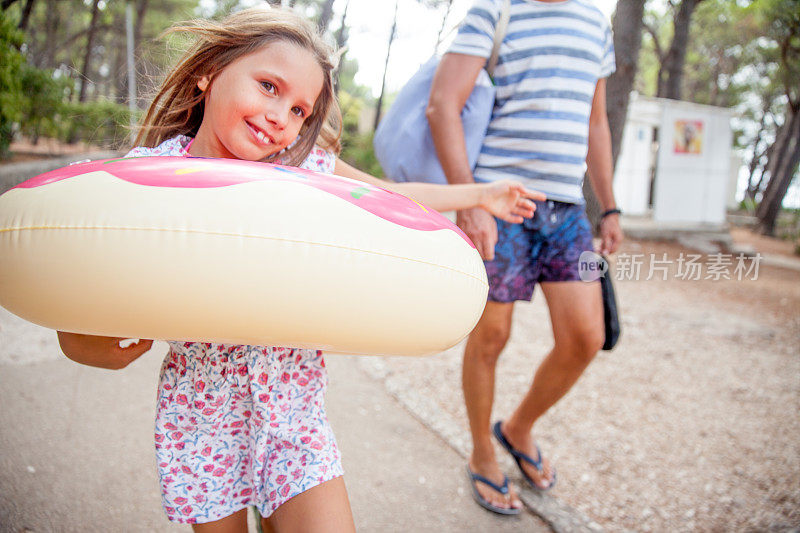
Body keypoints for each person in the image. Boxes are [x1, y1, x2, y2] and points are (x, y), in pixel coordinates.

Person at [56, 7, 545, 532]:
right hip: (201, 419)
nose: (280, 118)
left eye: (297, 110)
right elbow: (82, 310)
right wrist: (94, 344)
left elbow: (392, 197)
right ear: (208, 72)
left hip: (294, 416)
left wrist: (481, 193)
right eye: (268, 87)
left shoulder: (300, 172)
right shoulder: (150, 177)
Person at [426, 0, 624, 515]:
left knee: (586, 336)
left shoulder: (595, 22)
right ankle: (482, 451)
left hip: (569, 213)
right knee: (490, 337)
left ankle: (517, 427)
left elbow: (596, 122)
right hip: (501, 203)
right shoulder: (494, 11)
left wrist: (611, 206)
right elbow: (443, 105)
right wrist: (470, 200)